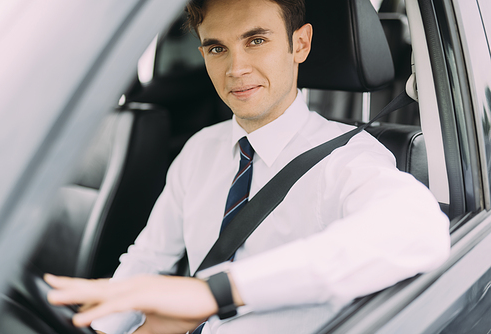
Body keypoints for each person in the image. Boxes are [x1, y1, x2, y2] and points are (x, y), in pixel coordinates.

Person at [46, 0, 451, 333]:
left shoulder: (347, 160)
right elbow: (148, 259)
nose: (235, 68)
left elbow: (418, 230)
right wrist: (104, 327)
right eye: (216, 48)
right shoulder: (200, 149)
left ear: (300, 45)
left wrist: (214, 293)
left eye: (256, 40)